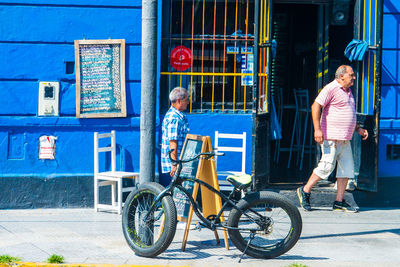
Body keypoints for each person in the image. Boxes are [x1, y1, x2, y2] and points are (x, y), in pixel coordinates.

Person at [297, 65, 368, 213]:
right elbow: (315, 106)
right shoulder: (331, 88)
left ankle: (339, 201)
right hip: (331, 137)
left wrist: (358, 129)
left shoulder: (348, 91)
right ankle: (305, 190)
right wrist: (317, 129)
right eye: (351, 75)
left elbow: (347, 114)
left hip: (344, 138)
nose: (354, 77)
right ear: (341, 76)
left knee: (346, 170)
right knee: (326, 166)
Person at [160, 87, 189, 185]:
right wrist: (174, 164)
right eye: (186, 100)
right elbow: (173, 142)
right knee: (178, 188)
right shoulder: (174, 118)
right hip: (177, 162)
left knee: (179, 188)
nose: (188, 102)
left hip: (179, 160)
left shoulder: (177, 115)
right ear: (179, 101)